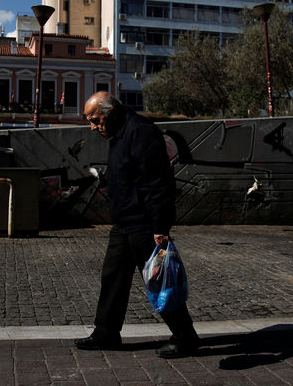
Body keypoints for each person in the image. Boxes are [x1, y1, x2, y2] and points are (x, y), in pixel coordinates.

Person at [75, 92, 200, 358]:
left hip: (145, 224)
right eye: (90, 121)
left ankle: (185, 337)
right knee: (113, 278)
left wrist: (160, 227)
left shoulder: (141, 133)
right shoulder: (118, 134)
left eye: (96, 120)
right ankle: (106, 333)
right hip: (124, 223)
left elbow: (158, 182)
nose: (93, 127)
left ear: (112, 113)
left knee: (161, 280)